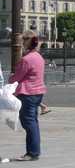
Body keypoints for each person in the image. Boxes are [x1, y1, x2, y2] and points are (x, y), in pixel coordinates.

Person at [8, 30, 46, 161]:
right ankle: (34, 151)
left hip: (27, 92)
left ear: (25, 44)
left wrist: (10, 78)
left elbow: (16, 77)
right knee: (33, 122)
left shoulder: (26, 59)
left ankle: (33, 152)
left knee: (29, 123)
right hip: (38, 92)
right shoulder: (39, 57)